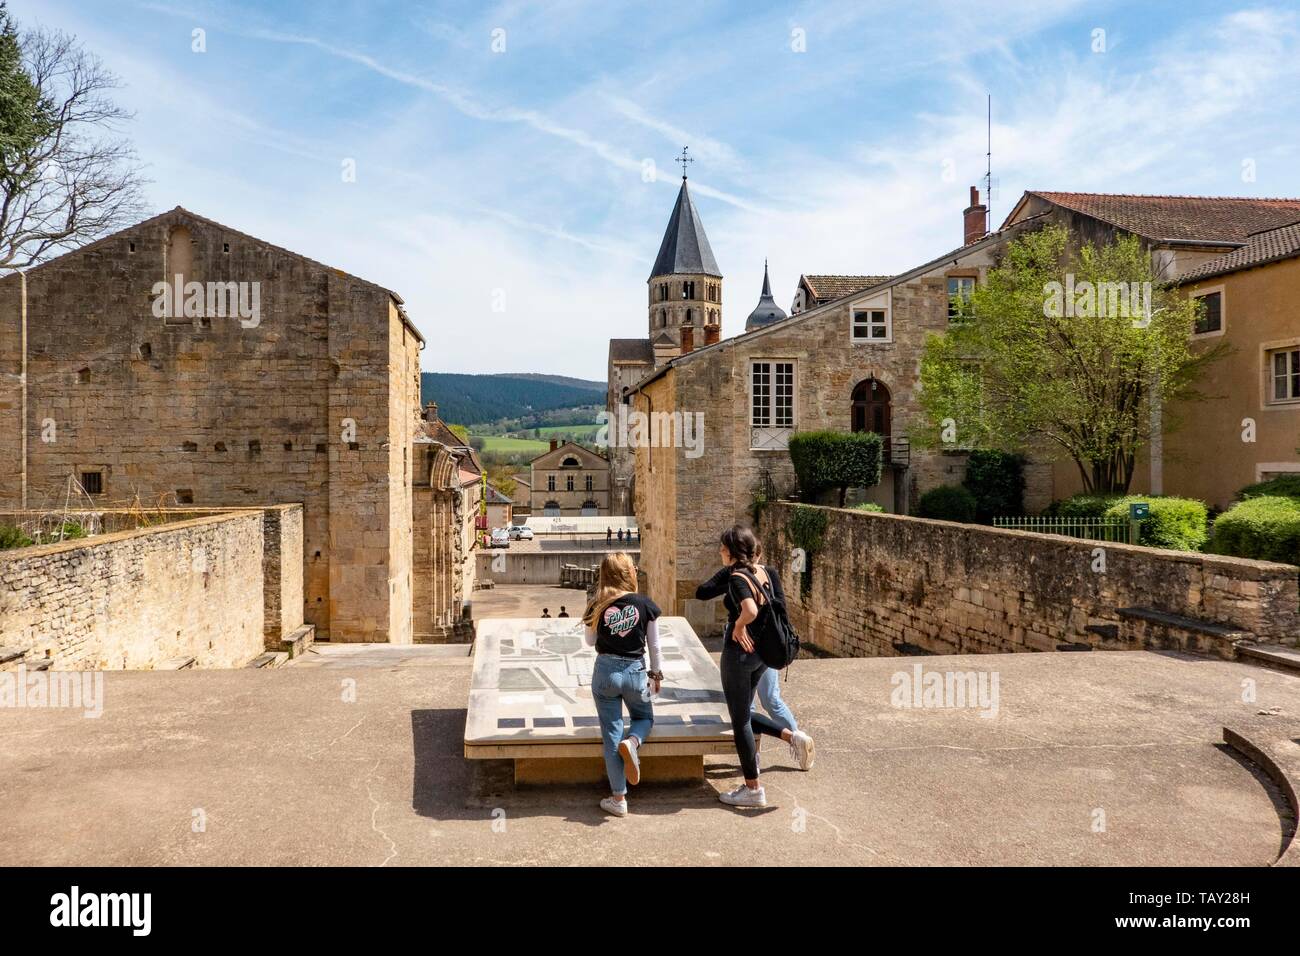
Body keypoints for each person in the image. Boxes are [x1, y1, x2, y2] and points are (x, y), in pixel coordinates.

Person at [696, 525, 814, 808]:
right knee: (746, 713)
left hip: (740, 654)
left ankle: (753, 789)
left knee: (740, 721)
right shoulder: (767, 573)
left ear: (732, 551)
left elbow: (748, 610)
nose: (719, 551)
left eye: (723, 547)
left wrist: (738, 625)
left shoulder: (736, 576)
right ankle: (792, 736)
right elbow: (779, 608)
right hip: (764, 654)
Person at [582, 552, 662, 817]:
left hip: (605, 672)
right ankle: (635, 742)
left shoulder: (598, 604)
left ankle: (619, 799)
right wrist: (656, 675)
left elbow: (590, 642)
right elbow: (654, 645)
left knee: (611, 734)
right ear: (630, 574)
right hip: (635, 671)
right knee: (644, 717)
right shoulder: (645, 604)